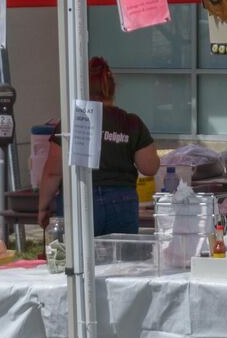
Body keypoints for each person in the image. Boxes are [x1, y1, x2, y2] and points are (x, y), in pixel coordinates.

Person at [37, 57, 159, 235]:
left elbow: (53, 171)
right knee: (121, 260)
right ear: (112, 88)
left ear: (82, 88)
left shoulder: (73, 122)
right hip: (122, 200)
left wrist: (42, 207)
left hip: (80, 198)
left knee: (79, 260)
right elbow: (149, 167)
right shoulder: (131, 122)